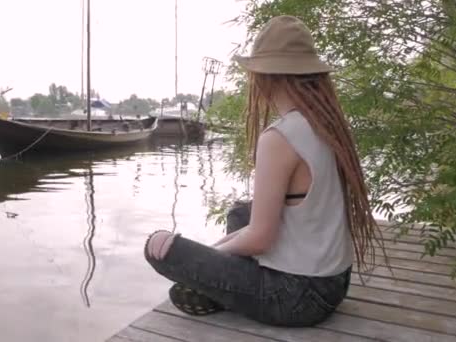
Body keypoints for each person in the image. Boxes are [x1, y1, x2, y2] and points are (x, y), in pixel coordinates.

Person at [144, 15, 381, 327]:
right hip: (334, 283)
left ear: (265, 76)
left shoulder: (279, 137)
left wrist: (210, 256)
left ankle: (219, 290)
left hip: (295, 297)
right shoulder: (327, 124)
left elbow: (260, 240)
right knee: (240, 213)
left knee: (159, 246)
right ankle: (222, 289)